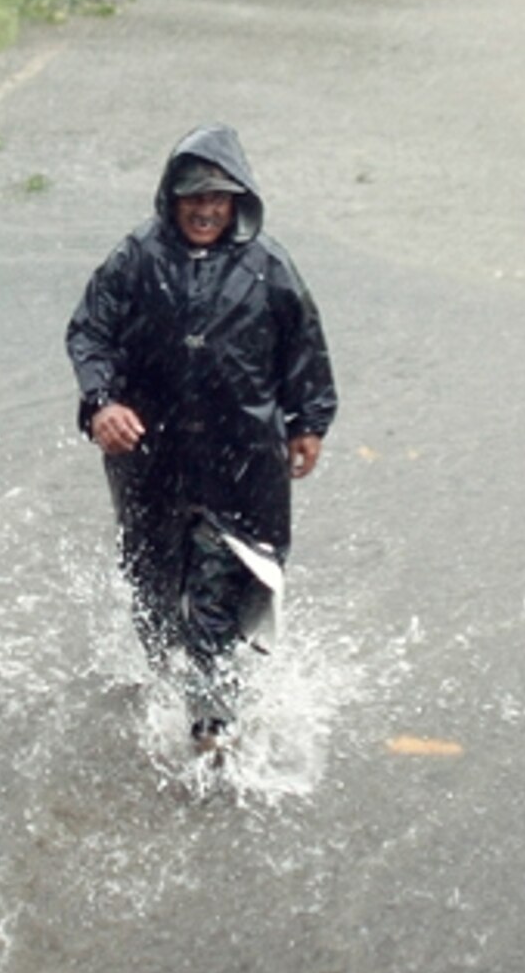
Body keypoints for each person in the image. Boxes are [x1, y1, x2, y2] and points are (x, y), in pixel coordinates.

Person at [66, 124, 338, 751]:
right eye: (193, 197)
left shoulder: (270, 268)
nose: (206, 210)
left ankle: (212, 722)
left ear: (239, 201)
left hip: (239, 462)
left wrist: (309, 422)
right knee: (152, 588)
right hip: (149, 460)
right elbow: (89, 334)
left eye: (219, 197)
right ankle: (177, 685)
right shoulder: (135, 258)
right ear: (171, 198)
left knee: (216, 588)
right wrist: (102, 404)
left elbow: (306, 350)